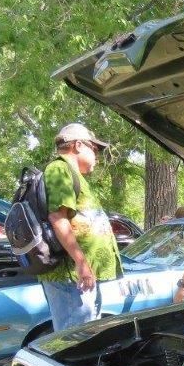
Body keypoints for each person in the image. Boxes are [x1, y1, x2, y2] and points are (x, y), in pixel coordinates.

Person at [39, 123, 122, 331]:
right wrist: (81, 262)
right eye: (94, 149)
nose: (97, 156)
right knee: (75, 339)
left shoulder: (73, 174)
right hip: (71, 277)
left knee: (86, 335)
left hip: (80, 277)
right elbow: (58, 217)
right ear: (77, 145)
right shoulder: (59, 169)